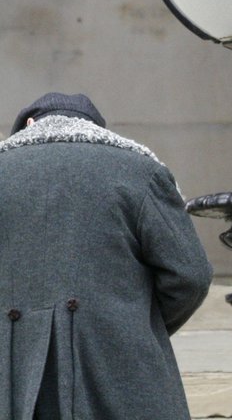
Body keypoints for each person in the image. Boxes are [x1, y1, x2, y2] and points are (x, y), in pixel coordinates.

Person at [0, 92, 213, 419]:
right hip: (119, 378)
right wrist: (133, 322)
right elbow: (191, 275)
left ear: (29, 125)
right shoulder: (140, 170)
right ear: (97, 129)